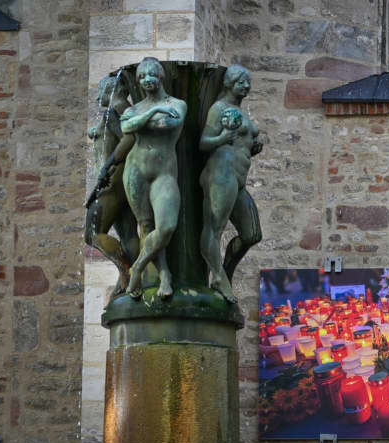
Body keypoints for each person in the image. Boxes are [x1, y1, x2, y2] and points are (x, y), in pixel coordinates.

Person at [120, 57, 187, 299]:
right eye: (142, 77)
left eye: (151, 75)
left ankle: (137, 267)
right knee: (146, 226)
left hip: (164, 173)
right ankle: (164, 275)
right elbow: (127, 128)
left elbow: (168, 124)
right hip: (135, 170)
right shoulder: (133, 109)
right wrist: (156, 110)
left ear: (161, 76)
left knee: (166, 226)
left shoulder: (178, 104)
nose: (147, 80)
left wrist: (144, 119)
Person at [198, 64, 263, 302]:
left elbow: (242, 142)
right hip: (221, 174)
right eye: (241, 82)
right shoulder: (219, 108)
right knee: (214, 228)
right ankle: (217, 276)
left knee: (252, 234)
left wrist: (253, 147)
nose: (246, 86)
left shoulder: (238, 110)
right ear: (228, 83)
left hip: (238, 177)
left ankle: (225, 273)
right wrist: (223, 138)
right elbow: (203, 142)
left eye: (248, 82)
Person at [84, 75, 139, 296]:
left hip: (111, 181)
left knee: (92, 234)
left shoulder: (113, 112)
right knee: (127, 234)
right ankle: (136, 277)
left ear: (112, 90)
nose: (98, 96)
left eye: (102, 91)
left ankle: (126, 272)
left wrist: (108, 164)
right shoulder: (117, 111)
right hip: (118, 181)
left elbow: (130, 137)